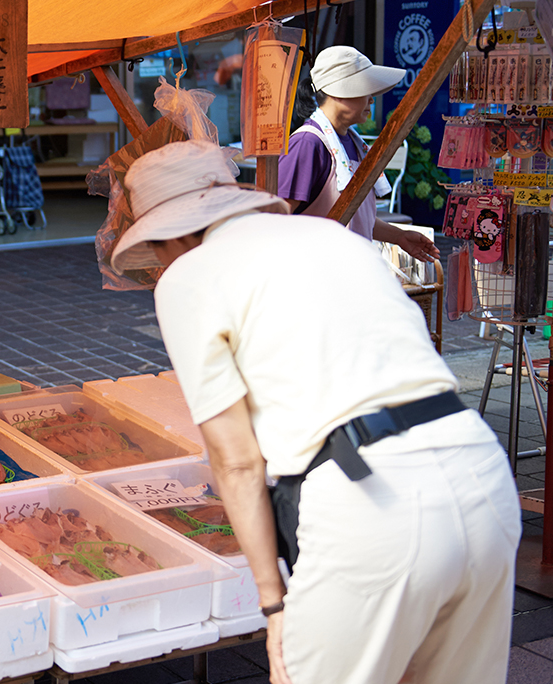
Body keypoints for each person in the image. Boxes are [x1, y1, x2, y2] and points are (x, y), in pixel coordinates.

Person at [112, 140, 518, 684]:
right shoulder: (332, 237)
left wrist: (273, 604)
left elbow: (235, 460)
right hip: (480, 471)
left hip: (370, 501)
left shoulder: (189, 275)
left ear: (172, 232)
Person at [279, 46, 439, 263]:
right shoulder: (308, 143)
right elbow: (277, 217)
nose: (372, 100)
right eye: (367, 90)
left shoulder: (351, 143)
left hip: (351, 271)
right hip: (315, 274)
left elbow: (355, 216)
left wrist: (399, 236)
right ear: (339, 92)